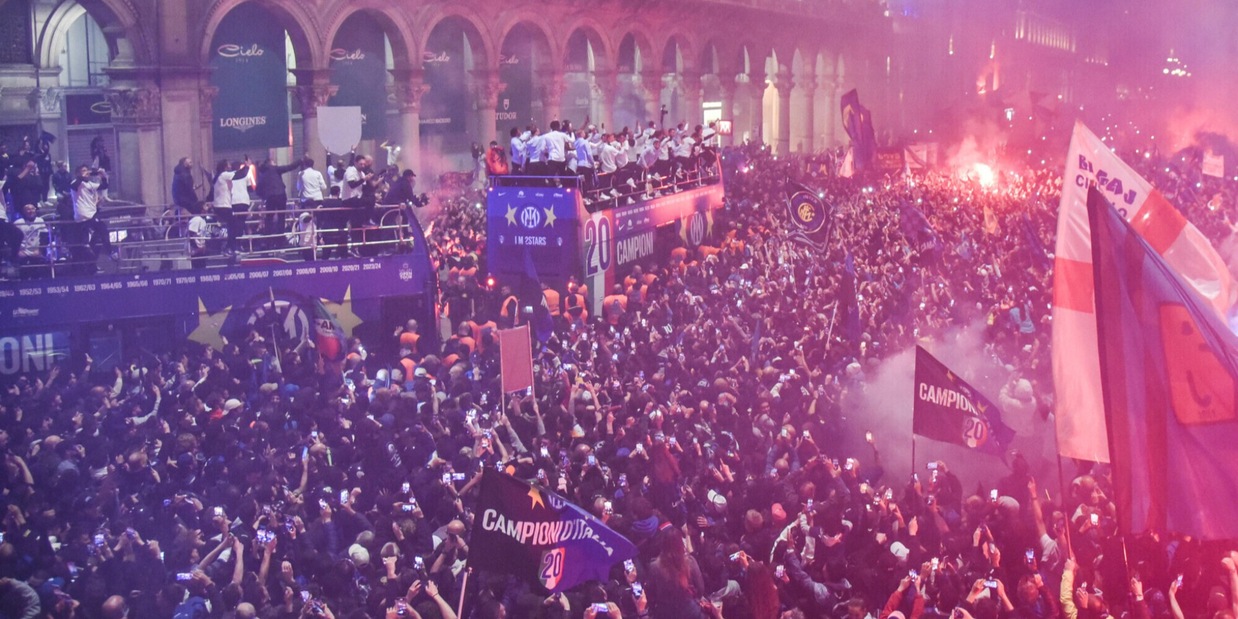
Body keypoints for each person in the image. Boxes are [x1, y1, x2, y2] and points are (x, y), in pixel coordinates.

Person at [70, 164, 113, 259]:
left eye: (87, 170)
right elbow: (74, 185)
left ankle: (91, 247)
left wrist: (103, 176)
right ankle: (110, 252)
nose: (87, 172)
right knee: (102, 229)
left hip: (92, 213)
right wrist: (81, 176)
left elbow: (104, 186)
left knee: (99, 232)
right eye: (83, 171)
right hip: (84, 214)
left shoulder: (89, 184)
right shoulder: (76, 183)